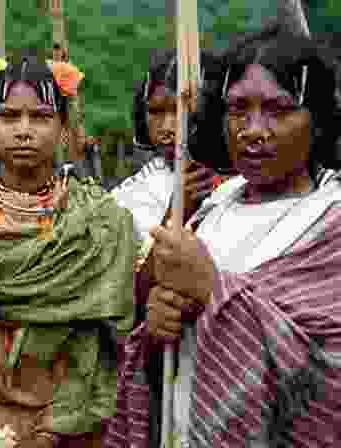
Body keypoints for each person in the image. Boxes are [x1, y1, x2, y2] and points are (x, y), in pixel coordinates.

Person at [104, 24, 341, 447]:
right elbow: (165, 354)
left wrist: (212, 288)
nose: (253, 129)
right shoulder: (212, 209)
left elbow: (329, 378)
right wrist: (157, 332)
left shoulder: (331, 223)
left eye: (279, 109)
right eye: (237, 110)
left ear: (318, 120)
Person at [0, 56, 137, 447]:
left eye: (42, 117)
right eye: (9, 116)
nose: (25, 131)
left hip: (72, 426)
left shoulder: (97, 217)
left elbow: (118, 334)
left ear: (64, 130)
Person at [111, 48, 223, 246]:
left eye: (182, 111)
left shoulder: (246, 183)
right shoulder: (130, 197)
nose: (167, 128)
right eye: (155, 112)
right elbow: (139, 274)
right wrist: (178, 211)